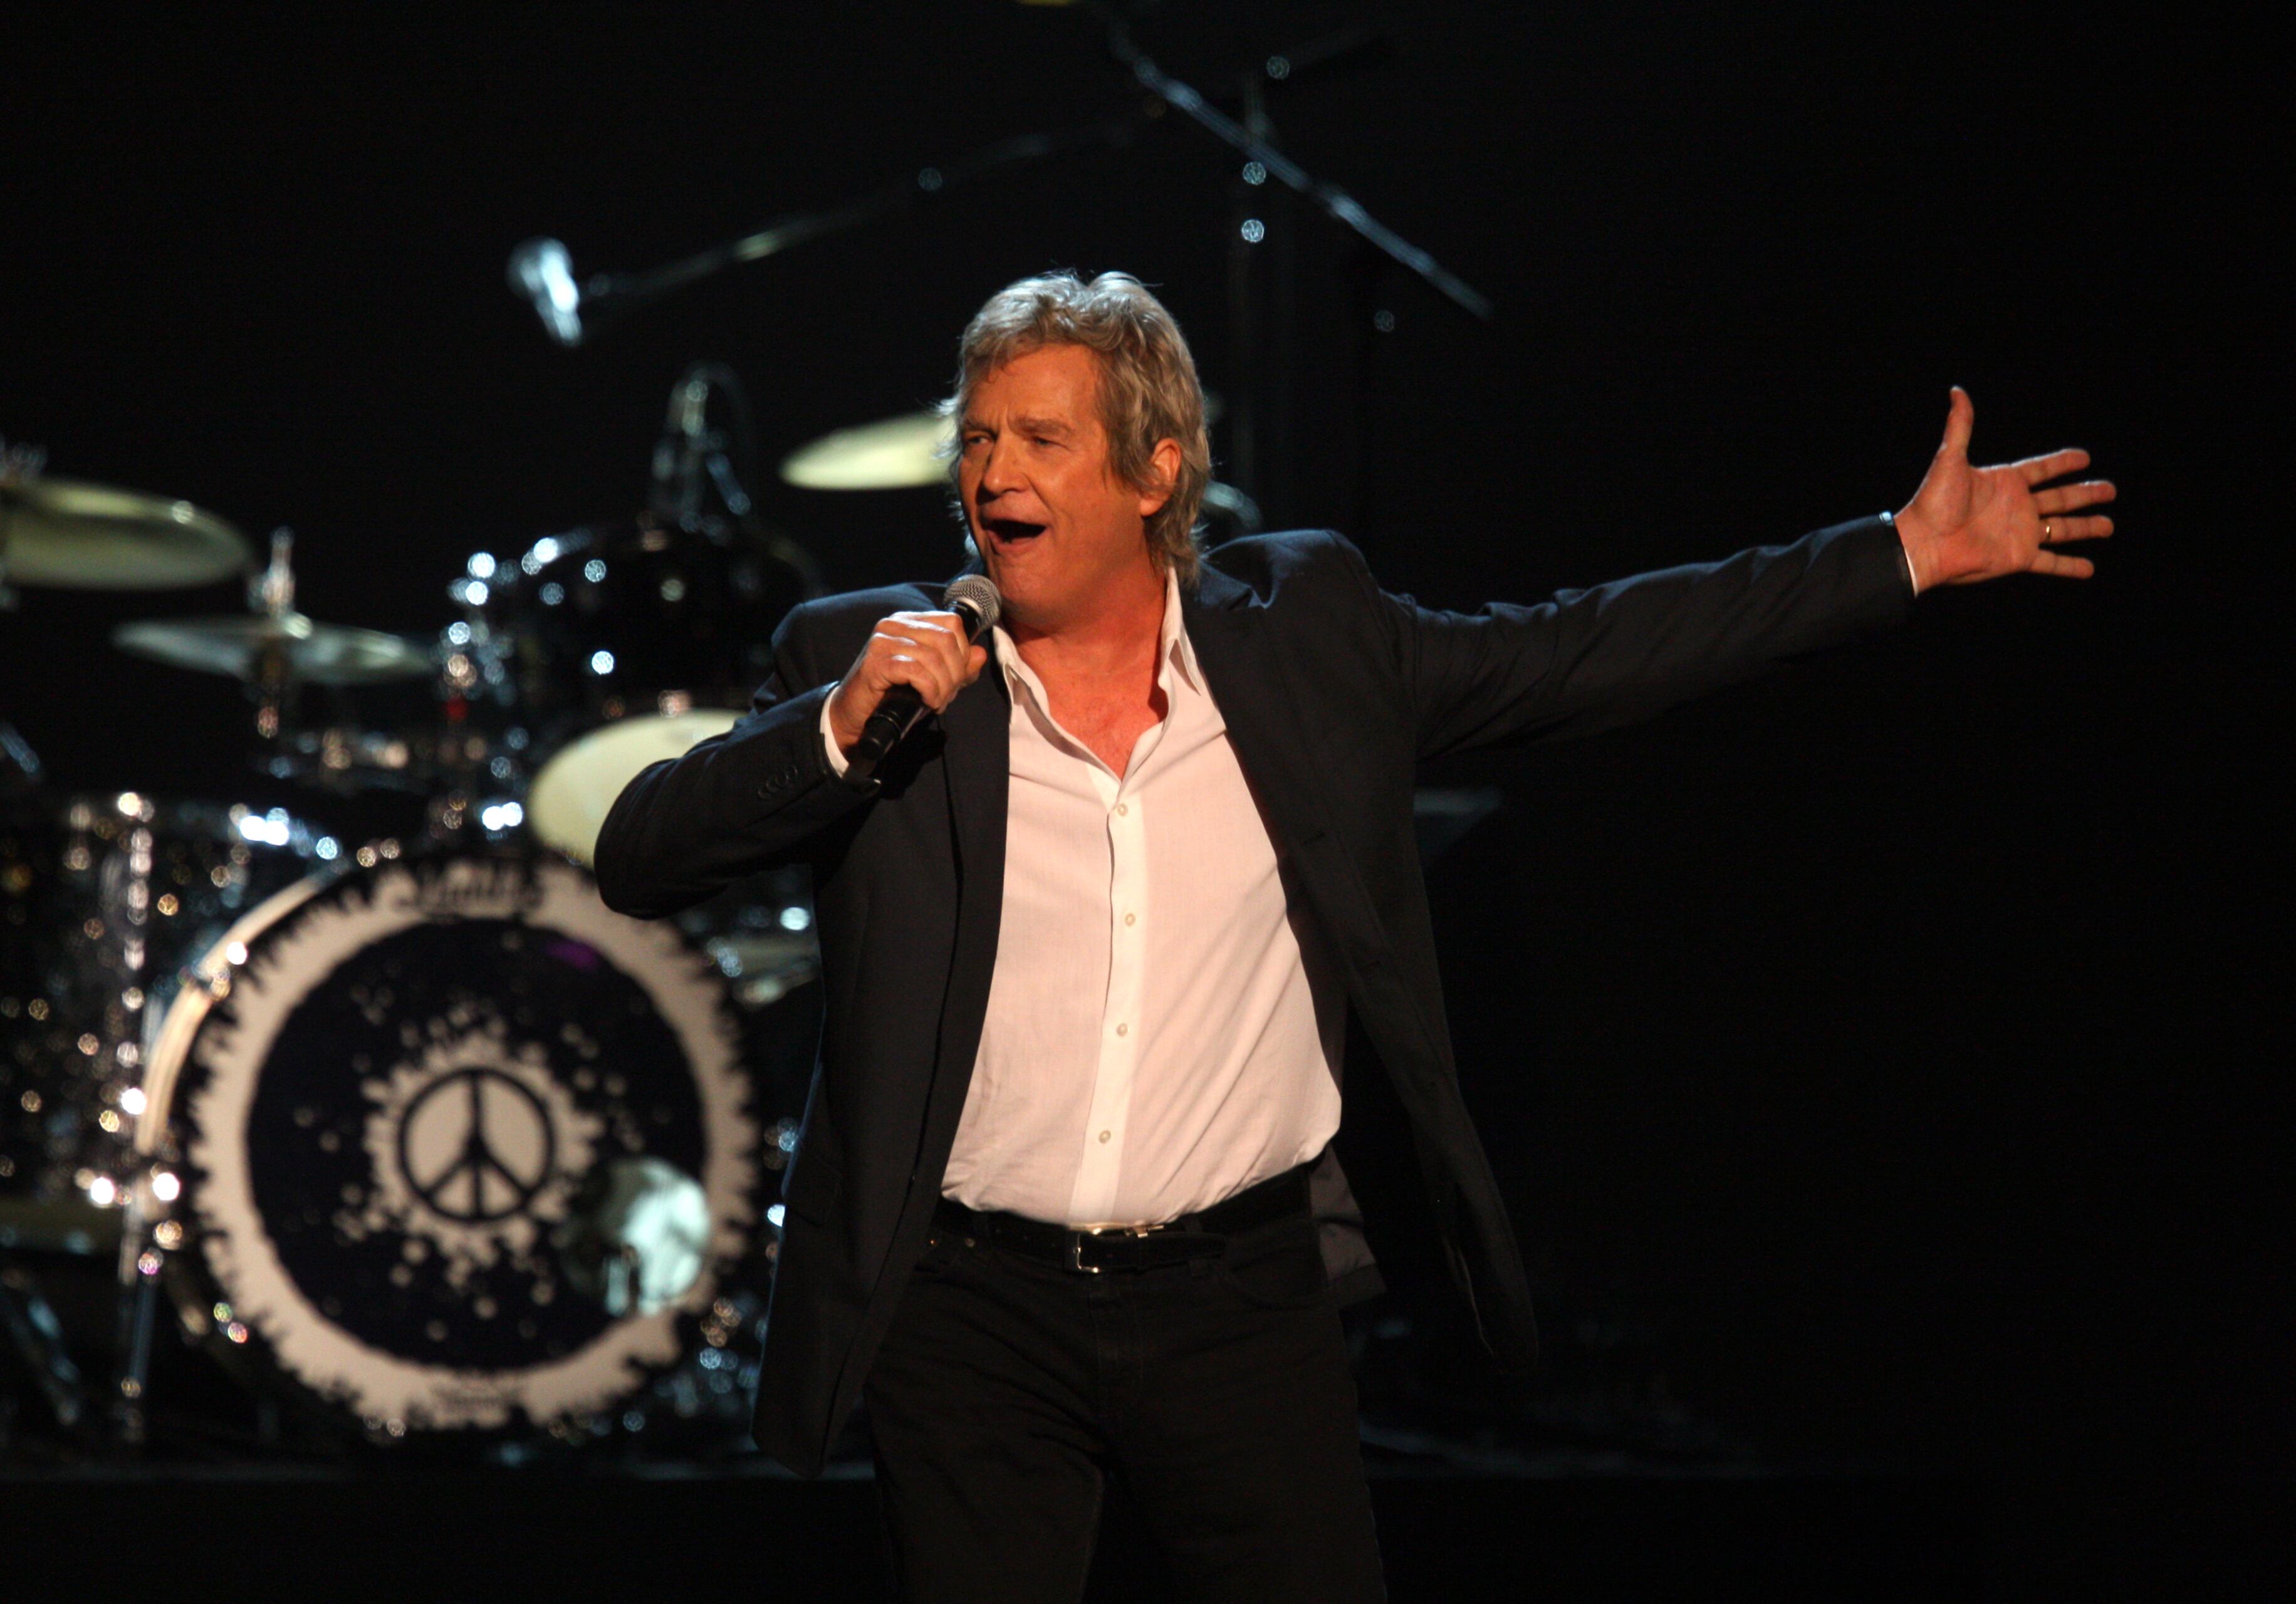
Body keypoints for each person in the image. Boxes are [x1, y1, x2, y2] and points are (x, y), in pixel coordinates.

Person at [595, 271, 2113, 1601]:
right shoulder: (875, 669)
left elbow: (1583, 648)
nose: (994, 472)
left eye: (1041, 438)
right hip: (969, 1313)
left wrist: (1892, 555)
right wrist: (836, 729)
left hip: (1239, 1305)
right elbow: (640, 852)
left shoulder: (1307, 635)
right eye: (979, 439)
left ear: (1156, 467)